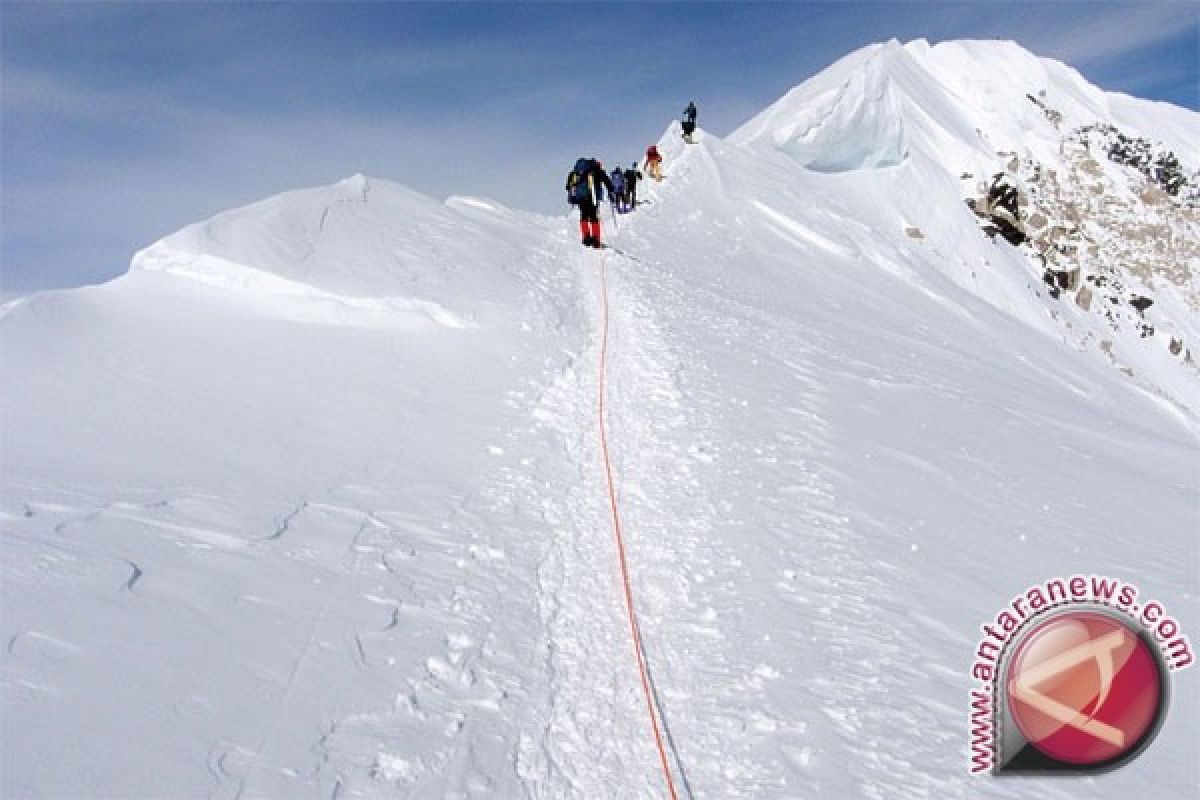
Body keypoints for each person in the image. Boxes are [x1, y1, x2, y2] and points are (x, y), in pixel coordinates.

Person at [566, 157, 615, 248]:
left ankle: (586, 238)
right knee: (593, 217)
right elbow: (607, 181)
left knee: (583, 215)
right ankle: (596, 240)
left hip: (580, 197)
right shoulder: (597, 170)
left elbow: (567, 186)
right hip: (593, 197)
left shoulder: (576, 170)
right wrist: (611, 190)